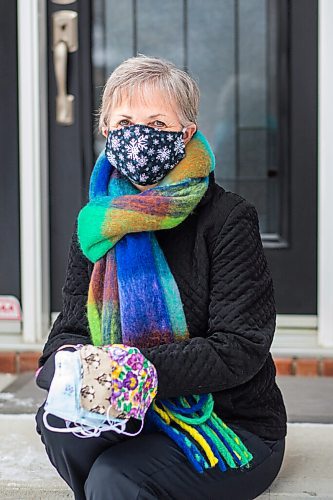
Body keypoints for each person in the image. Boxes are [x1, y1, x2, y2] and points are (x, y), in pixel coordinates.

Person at [35, 55, 287, 500]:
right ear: (107, 132)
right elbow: (70, 328)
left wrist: (134, 374)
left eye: (156, 122)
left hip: (226, 422)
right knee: (61, 428)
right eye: (125, 121)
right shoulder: (96, 225)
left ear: (185, 133)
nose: (139, 135)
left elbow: (240, 347)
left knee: (117, 477)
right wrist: (69, 368)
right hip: (123, 415)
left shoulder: (228, 219)